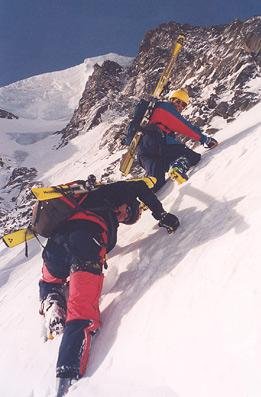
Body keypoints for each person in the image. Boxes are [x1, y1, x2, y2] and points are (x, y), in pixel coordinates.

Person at [38, 178, 180, 396]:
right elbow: (142, 188)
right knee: (82, 312)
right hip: (86, 244)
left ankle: (52, 300)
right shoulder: (118, 190)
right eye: (128, 212)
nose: (123, 216)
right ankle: (67, 374)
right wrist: (161, 215)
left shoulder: (87, 199)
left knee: (50, 281)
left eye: (126, 219)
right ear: (127, 202)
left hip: (54, 248)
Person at [135, 88, 218, 191]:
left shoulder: (155, 110)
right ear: (171, 99)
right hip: (157, 143)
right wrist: (206, 140)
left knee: (156, 183)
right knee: (192, 156)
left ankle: (140, 198)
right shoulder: (166, 108)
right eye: (178, 101)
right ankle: (177, 167)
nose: (179, 105)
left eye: (183, 104)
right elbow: (186, 127)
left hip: (143, 152)